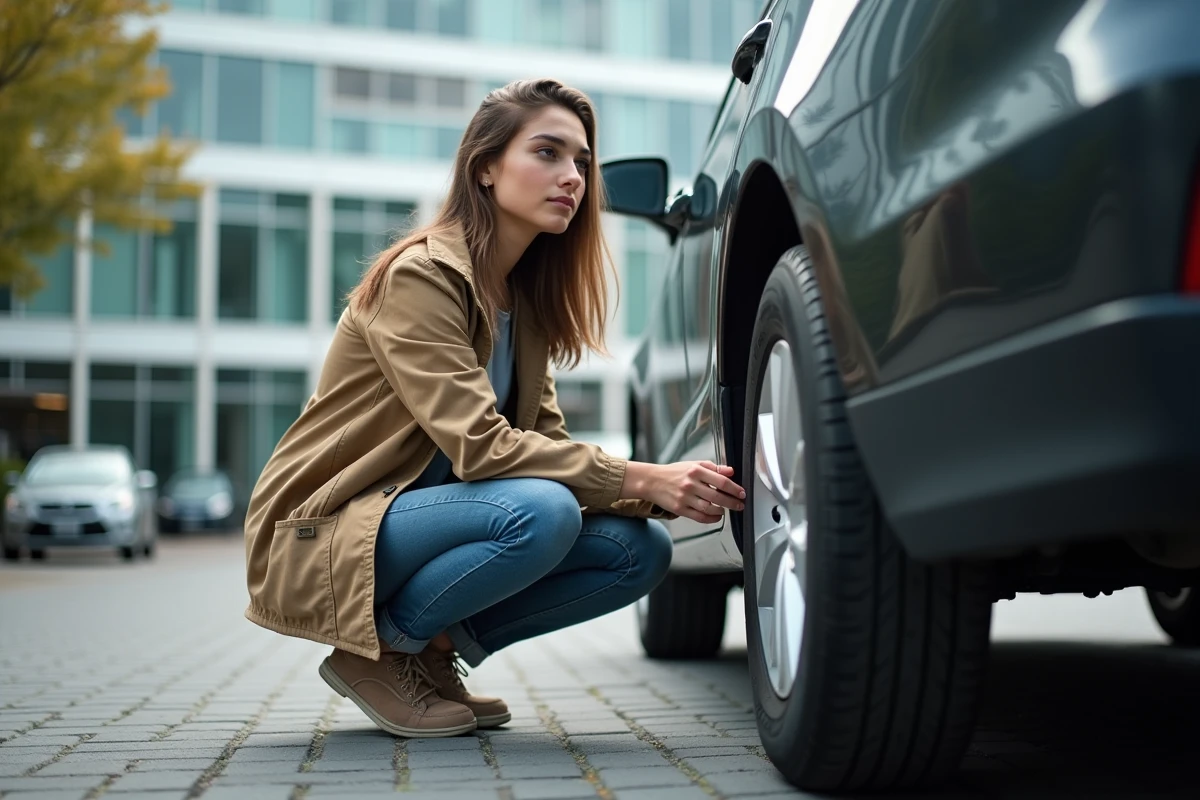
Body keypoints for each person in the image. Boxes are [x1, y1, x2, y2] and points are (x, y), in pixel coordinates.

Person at [242, 78, 746, 739]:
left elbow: (548, 447)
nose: (572, 177)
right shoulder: (421, 276)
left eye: (582, 162)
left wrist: (662, 496)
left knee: (638, 551)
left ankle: (432, 651)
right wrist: (644, 477)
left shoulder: (521, 302)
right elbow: (482, 446)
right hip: (326, 529)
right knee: (540, 511)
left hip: (417, 519)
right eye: (547, 152)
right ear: (485, 167)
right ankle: (380, 653)